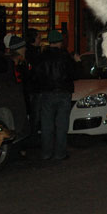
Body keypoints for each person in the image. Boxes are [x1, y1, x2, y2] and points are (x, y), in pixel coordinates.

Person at [31, 29, 75, 162]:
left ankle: (46, 153)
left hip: (47, 93)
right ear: (60, 42)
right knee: (61, 124)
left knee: (46, 125)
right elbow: (74, 73)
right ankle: (60, 153)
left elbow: (36, 75)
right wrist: (77, 62)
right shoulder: (65, 56)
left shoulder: (42, 57)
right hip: (63, 93)